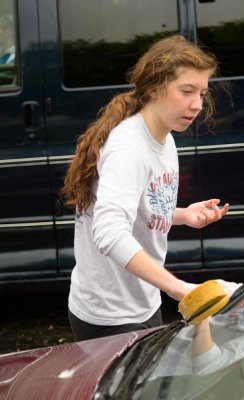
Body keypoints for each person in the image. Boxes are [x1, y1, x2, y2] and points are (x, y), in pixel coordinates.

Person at [61, 34, 230, 341]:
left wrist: (181, 215)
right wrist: (179, 288)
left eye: (202, 93)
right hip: (108, 316)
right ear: (154, 88)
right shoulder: (128, 147)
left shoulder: (164, 137)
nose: (197, 104)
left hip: (144, 302)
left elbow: (139, 206)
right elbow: (109, 232)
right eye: (187, 91)